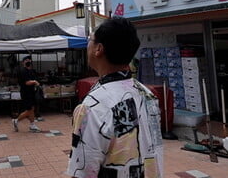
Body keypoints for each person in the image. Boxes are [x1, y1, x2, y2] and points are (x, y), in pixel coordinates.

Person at [66, 18, 163, 178]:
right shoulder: (147, 94)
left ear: (98, 49)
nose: (87, 45)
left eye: (90, 39)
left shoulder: (92, 107)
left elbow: (83, 170)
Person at [12, 55, 41, 132]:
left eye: (29, 60)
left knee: (32, 109)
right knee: (29, 110)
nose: (28, 61)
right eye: (26, 60)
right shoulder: (23, 71)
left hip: (31, 92)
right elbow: (27, 82)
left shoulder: (31, 70)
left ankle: (32, 125)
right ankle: (16, 120)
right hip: (26, 93)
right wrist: (34, 82)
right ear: (23, 62)